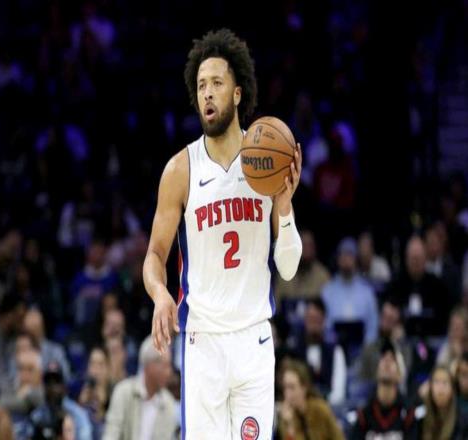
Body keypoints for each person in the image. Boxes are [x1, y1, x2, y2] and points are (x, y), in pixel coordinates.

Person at [142, 29, 303, 439]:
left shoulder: (265, 162)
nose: (208, 93)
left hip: (254, 340)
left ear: (237, 92)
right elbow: (155, 255)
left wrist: (284, 209)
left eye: (216, 83)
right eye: (201, 86)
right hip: (204, 342)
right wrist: (160, 294)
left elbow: (287, 269)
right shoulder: (180, 170)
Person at [103, 335, 176, 439]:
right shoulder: (123, 392)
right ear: (150, 366)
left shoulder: (168, 403)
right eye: (165, 366)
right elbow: (111, 434)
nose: (169, 372)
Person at [349, 344, 416, 439]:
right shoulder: (364, 413)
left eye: (393, 359)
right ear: (376, 371)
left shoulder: (408, 414)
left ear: (400, 374)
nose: (387, 361)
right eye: (383, 358)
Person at [322, 237, 378, 345]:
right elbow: (324, 326)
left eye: (349, 254)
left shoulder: (367, 292)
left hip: (362, 348)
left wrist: (366, 349)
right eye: (342, 254)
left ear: (356, 258)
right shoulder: (327, 291)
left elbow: (372, 326)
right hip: (334, 347)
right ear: (337, 259)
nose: (346, 258)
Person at [290, 299, 346, 406]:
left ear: (324, 320)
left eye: (317, 319)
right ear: (305, 320)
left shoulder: (335, 351)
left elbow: (338, 393)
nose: (313, 324)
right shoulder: (295, 352)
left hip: (328, 407)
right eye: (310, 319)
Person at [277, 360, 344, 440]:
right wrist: (290, 425)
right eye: (285, 388)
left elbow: (338, 437)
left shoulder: (320, 409)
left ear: (304, 388)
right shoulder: (286, 417)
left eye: (292, 387)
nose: (287, 394)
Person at [275, 230, 330, 300]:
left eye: (310, 246)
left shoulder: (323, 275)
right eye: (304, 245)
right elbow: (276, 303)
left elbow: (328, 304)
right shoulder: (284, 274)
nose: (307, 250)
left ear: (315, 249)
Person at [417, 365, 459, 440]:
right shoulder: (421, 416)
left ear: (452, 389)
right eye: (436, 382)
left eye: (445, 382)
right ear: (430, 387)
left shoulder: (461, 420)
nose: (440, 388)